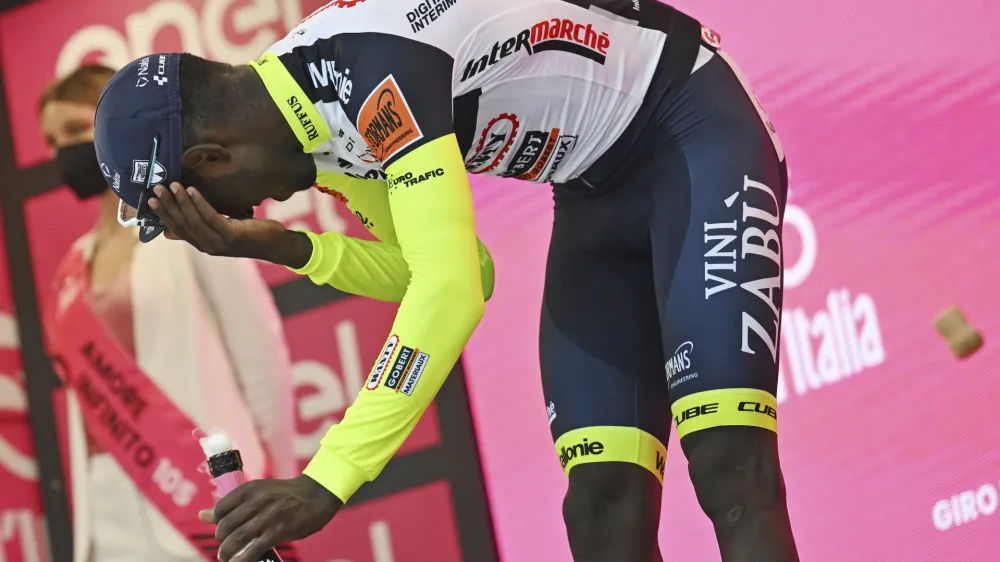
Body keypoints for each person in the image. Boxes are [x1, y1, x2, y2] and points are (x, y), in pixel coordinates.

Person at [92, 0, 797, 560]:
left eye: (213, 204)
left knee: (728, 460)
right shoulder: (309, 123)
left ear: (212, 157)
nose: (244, 211)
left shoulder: (368, 77)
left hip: (693, 128)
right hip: (590, 195)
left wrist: (327, 478)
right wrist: (289, 247)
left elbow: (452, 288)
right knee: (602, 504)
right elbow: (464, 269)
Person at [38, 65, 298, 562]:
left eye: (74, 132)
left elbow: (259, 355)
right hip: (108, 516)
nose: (62, 154)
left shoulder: (189, 222)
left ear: (114, 126)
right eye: (52, 141)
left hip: (204, 501)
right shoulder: (71, 268)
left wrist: (273, 485)